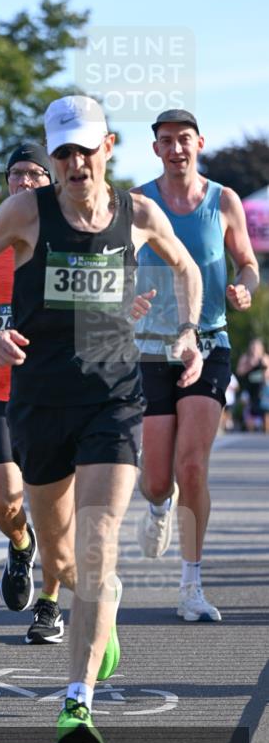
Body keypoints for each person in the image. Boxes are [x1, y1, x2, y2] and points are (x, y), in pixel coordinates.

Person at [0, 95, 203, 743]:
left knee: (96, 545)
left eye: (84, 149)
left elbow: (187, 265)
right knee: (59, 554)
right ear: (51, 158)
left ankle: (76, 704)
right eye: (61, 152)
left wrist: (190, 331)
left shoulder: (138, 213)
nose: (74, 162)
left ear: (107, 147)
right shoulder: (26, 212)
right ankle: (95, 613)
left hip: (111, 399)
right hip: (37, 403)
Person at [134, 110, 259, 622]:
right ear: (156, 148)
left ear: (200, 143)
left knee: (193, 465)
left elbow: (247, 262)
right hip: (150, 345)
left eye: (184, 140)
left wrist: (244, 289)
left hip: (208, 343)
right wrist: (128, 298)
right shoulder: (139, 201)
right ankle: (158, 506)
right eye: (167, 141)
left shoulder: (223, 200)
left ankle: (191, 585)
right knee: (158, 479)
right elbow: (116, 262)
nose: (177, 149)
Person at [0, 142, 67, 643]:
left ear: (50, 181)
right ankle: (20, 544)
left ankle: (49, 605)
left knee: (53, 505)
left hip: (50, 390)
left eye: (34, 175)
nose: (23, 183)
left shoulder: (66, 235)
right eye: (16, 174)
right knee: (6, 502)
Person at [236, 337, 269, 433]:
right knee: (248, 407)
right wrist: (250, 366)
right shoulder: (246, 358)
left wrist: (264, 368)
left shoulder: (265, 358)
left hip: (262, 389)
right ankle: (250, 426)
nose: (255, 349)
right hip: (249, 388)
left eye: (257, 348)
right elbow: (239, 372)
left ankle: (265, 426)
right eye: (253, 347)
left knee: (264, 408)